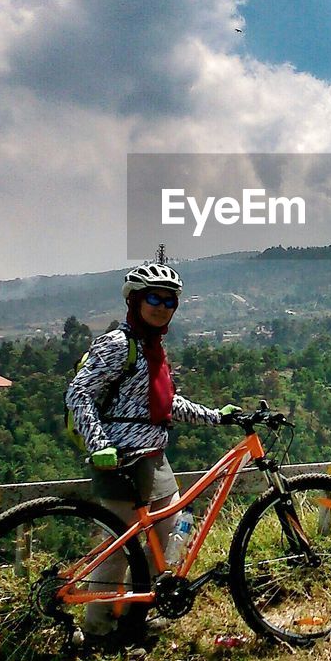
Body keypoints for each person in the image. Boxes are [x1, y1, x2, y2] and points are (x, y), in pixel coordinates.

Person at [64, 261, 237, 640]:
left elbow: (165, 404)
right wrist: (99, 444)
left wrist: (216, 418)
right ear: (136, 300)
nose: (162, 306)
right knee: (117, 549)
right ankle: (98, 629)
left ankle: (137, 614)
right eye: (154, 298)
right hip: (121, 462)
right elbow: (78, 393)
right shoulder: (117, 344)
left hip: (155, 459)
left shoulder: (152, 348)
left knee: (169, 538)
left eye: (170, 301)